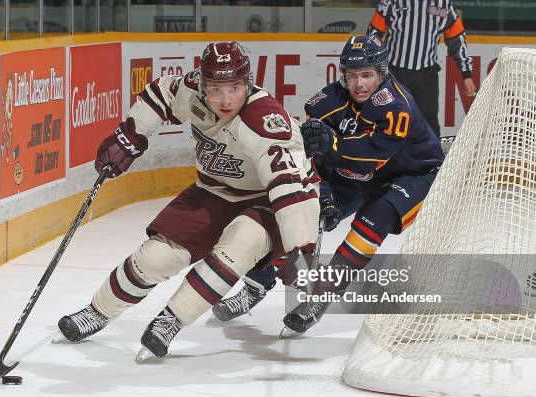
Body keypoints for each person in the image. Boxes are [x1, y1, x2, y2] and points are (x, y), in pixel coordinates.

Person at [56, 41, 320, 361]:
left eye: (234, 88)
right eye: (215, 89)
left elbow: (290, 188)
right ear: (203, 84)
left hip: (271, 201)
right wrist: (131, 134)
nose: (225, 99)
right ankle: (98, 312)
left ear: (247, 83)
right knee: (156, 258)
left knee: (240, 244)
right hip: (214, 191)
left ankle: (172, 319)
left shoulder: (265, 121)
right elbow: (161, 95)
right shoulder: (192, 89)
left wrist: (301, 250)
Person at [214, 34, 445, 338]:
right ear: (342, 75)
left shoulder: (396, 106)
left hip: (410, 175)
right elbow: (306, 152)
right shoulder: (327, 101)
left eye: (367, 75)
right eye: (352, 76)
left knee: (369, 225)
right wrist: (320, 188)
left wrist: (332, 146)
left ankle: (322, 295)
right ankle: (257, 283)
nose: (359, 84)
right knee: (290, 213)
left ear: (382, 73)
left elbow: (369, 157)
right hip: (355, 174)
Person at [367, 0, 476, 137]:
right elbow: (373, 34)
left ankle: (432, 157)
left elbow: (457, 38)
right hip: (394, 74)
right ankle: (386, 157)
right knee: (389, 119)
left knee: (428, 123)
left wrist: (466, 73)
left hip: (426, 76)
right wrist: (369, 66)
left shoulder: (443, 4)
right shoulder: (392, 2)